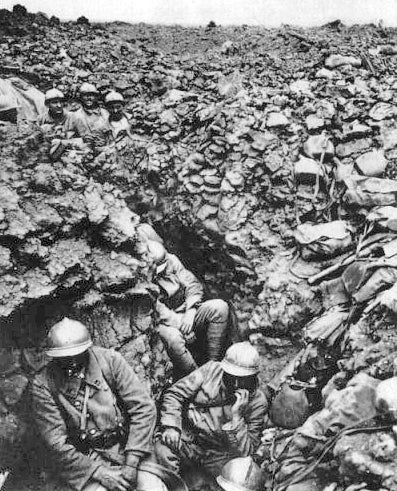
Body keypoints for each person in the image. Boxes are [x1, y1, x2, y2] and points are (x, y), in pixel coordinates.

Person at [30, 317, 166, 491]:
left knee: (152, 487)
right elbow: (56, 443)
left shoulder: (110, 360)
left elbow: (144, 408)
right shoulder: (43, 384)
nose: (72, 362)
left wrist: (132, 462)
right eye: (64, 358)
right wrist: (99, 472)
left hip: (127, 448)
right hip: (85, 461)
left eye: (77, 354)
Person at [155, 342, 268, 479]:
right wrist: (171, 426)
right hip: (191, 441)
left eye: (243, 379)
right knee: (162, 450)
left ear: (254, 377)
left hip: (220, 454)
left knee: (239, 479)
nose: (237, 385)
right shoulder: (210, 371)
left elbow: (246, 454)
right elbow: (175, 394)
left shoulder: (258, 402)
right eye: (232, 377)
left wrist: (237, 418)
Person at [147, 240, 230, 377]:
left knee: (219, 307)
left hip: (184, 312)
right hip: (161, 322)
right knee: (174, 338)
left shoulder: (170, 260)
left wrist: (191, 310)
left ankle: (212, 366)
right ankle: (197, 378)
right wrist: (181, 325)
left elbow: (192, 284)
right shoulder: (141, 274)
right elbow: (155, 308)